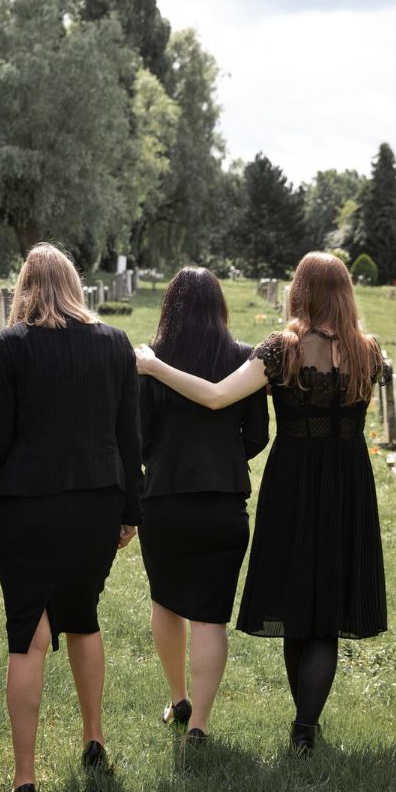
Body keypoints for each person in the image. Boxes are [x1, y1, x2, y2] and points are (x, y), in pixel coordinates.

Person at [135, 252, 388, 754]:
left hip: (294, 480)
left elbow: (212, 396)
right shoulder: (369, 350)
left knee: (299, 596)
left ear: (300, 292)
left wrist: (153, 365)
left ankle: (302, 726)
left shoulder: (283, 349)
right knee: (328, 600)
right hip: (349, 483)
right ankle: (304, 724)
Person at [0, 243, 141, 792]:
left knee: (29, 635)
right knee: (84, 616)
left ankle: (25, 777)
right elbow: (128, 436)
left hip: (28, 505)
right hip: (96, 501)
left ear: (25, 288)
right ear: (74, 285)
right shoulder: (114, 344)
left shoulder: (13, 347)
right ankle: (94, 737)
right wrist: (131, 509)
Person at [138, 268, 268, 741]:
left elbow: (140, 437)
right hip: (223, 502)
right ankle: (199, 724)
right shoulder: (244, 358)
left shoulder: (152, 360)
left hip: (166, 500)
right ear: (220, 307)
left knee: (165, 602)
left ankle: (178, 698)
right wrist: (223, 458)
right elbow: (257, 436)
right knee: (211, 616)